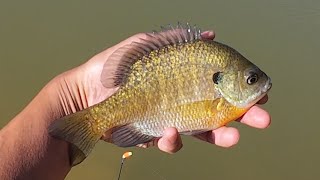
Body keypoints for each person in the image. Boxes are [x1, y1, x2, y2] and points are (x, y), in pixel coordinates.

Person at [0, 30, 270, 180]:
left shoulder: (223, 94)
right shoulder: (221, 101)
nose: (258, 84)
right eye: (250, 79)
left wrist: (72, 95)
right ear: (225, 81)